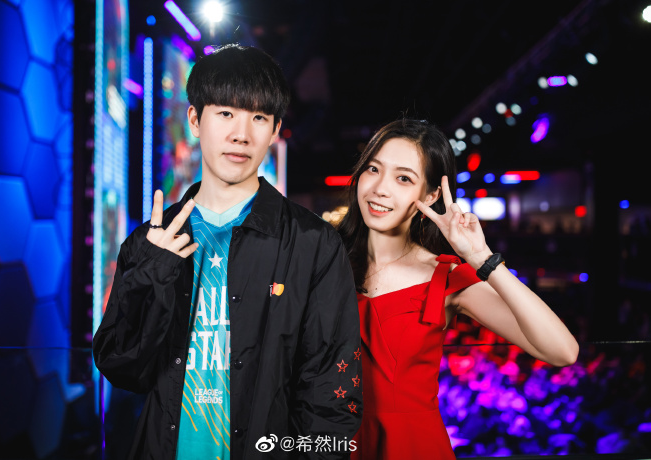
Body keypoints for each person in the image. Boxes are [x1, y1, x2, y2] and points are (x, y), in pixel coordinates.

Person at [93, 44, 362, 460]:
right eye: (225, 113)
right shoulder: (150, 240)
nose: (242, 134)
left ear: (275, 130)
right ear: (194, 120)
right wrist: (152, 273)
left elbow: (332, 393)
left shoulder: (313, 243)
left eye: (259, 117)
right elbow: (120, 367)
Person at [336, 119, 579, 460]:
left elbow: (563, 352)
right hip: (333, 440)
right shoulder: (323, 261)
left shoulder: (445, 277)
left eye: (403, 178)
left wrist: (482, 258)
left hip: (412, 447)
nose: (379, 188)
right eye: (373, 169)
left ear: (431, 195)